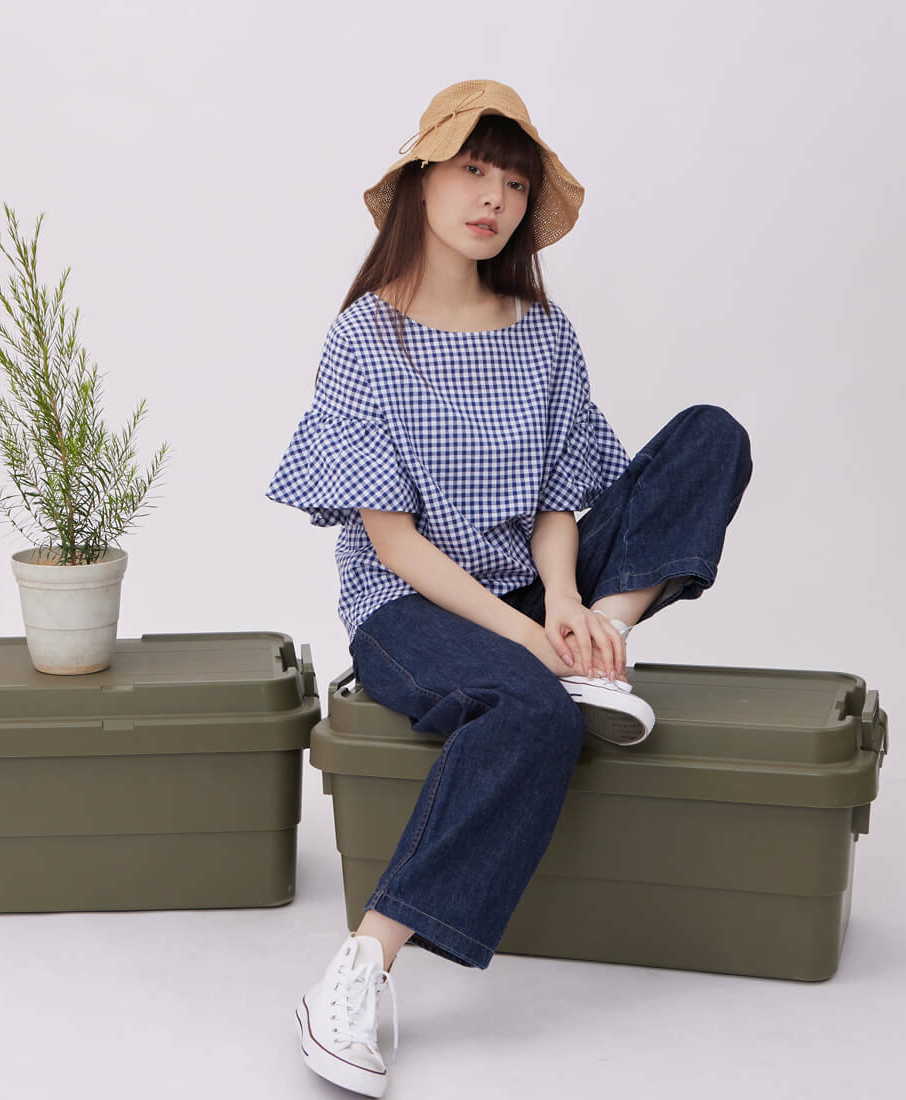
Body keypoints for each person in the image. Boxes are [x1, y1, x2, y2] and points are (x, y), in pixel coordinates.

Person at [266, 78, 753, 1098]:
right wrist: (524, 639)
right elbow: (393, 543)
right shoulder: (365, 339)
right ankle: (359, 966)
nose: (493, 198)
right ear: (422, 179)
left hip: (535, 589)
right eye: (473, 169)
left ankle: (596, 650)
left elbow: (557, 500)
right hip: (409, 610)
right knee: (530, 710)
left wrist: (567, 607)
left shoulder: (543, 331)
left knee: (710, 435)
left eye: (515, 183)